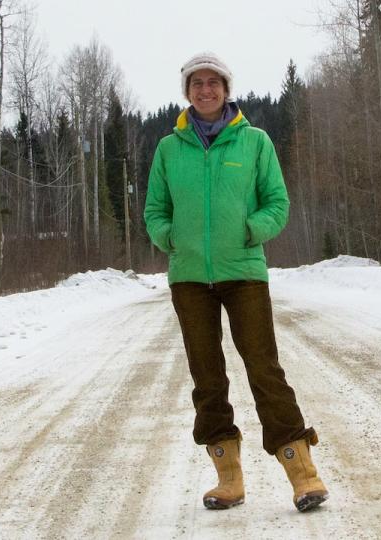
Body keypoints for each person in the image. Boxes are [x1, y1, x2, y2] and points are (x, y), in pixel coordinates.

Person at [144, 52, 328, 512]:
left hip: (244, 273)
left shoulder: (255, 142)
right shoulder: (169, 149)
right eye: (197, 83)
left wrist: (250, 231)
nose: (205, 90)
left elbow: (277, 204)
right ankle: (229, 479)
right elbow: (154, 211)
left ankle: (303, 474)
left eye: (214, 82)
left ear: (227, 89)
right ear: (186, 91)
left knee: (264, 369)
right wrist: (172, 238)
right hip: (188, 279)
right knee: (207, 378)